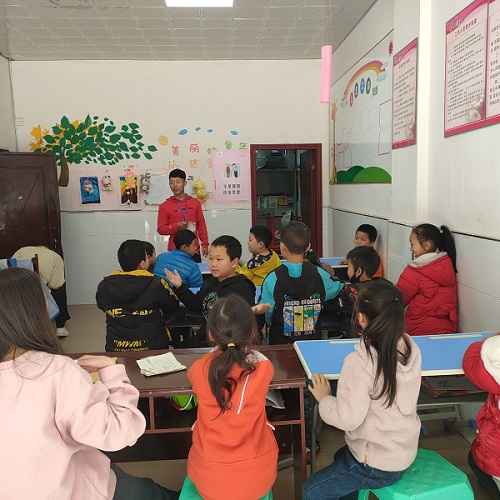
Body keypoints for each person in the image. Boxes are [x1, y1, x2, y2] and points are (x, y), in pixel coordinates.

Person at [0, 267, 179, 500]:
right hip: (79, 489)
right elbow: (118, 432)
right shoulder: (57, 370)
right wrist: (111, 371)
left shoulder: (106, 286)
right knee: (156, 493)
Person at [302, 280, 422, 500]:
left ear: (361, 318)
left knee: (311, 491)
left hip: (376, 464)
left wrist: (325, 398)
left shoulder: (360, 363)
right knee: (340, 455)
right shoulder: (410, 350)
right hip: (402, 450)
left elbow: (347, 420)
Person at [184, 295, 278, 500]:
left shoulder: (200, 369)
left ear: (211, 335)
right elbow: (258, 358)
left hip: (208, 482)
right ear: (252, 333)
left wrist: (227, 333)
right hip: (257, 481)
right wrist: (243, 321)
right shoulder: (263, 369)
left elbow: (208, 362)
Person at [259, 221, 343, 344]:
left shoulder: (272, 279)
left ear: (282, 247)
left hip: (280, 345)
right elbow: (337, 288)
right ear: (308, 247)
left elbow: (267, 313)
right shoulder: (320, 275)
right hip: (311, 346)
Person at [165, 235, 255, 347]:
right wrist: (180, 287)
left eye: (219, 259)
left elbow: (247, 326)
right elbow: (197, 306)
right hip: (205, 339)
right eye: (211, 258)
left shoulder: (242, 288)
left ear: (234, 262)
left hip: (226, 345)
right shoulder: (210, 282)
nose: (213, 264)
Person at [96, 239, 179, 351]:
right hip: (153, 346)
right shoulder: (156, 284)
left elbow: (102, 305)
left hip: (116, 348)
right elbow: (172, 306)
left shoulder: (104, 285)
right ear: (142, 263)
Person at [395, 223, 458, 335]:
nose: (410, 249)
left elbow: (398, 299)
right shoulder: (447, 266)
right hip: (447, 329)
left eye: (412, 244)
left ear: (427, 245)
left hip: (419, 329)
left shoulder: (414, 271)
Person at [463, 332, 500, 499]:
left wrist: (482, 343)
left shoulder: (496, 348)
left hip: (496, 454)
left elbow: (472, 365)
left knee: (474, 458)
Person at [12, 245, 71, 337]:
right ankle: (60, 327)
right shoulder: (55, 257)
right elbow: (55, 284)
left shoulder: (22, 250)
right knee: (60, 291)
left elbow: (9, 267)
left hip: (16, 289)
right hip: (37, 289)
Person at [326, 246, 383, 338]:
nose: (347, 270)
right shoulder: (381, 288)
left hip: (352, 339)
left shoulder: (348, 292)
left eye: (349, 267)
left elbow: (330, 305)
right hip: (377, 338)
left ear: (358, 271)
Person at [157, 168, 209, 263]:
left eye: (178, 182)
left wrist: (205, 243)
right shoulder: (164, 206)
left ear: (184, 183)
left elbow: (201, 225)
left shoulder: (195, 203)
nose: (175, 185)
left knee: (195, 272)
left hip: (194, 250)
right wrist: (176, 226)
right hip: (175, 251)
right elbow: (161, 229)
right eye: (171, 182)